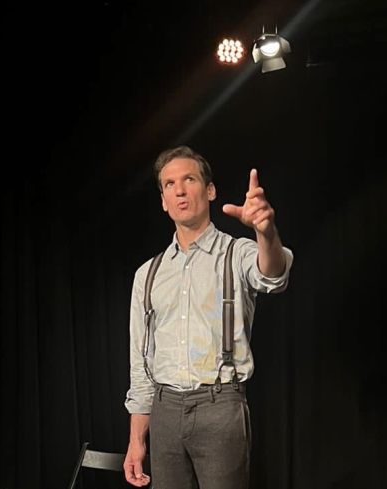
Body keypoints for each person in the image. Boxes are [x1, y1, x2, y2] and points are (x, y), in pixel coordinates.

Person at [123, 145, 293, 489]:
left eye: (189, 179)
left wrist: (266, 232)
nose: (180, 190)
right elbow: (141, 363)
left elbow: (273, 275)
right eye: (169, 184)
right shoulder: (148, 274)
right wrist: (136, 440)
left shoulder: (238, 252)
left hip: (220, 406)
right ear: (163, 199)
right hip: (164, 410)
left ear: (210, 190)